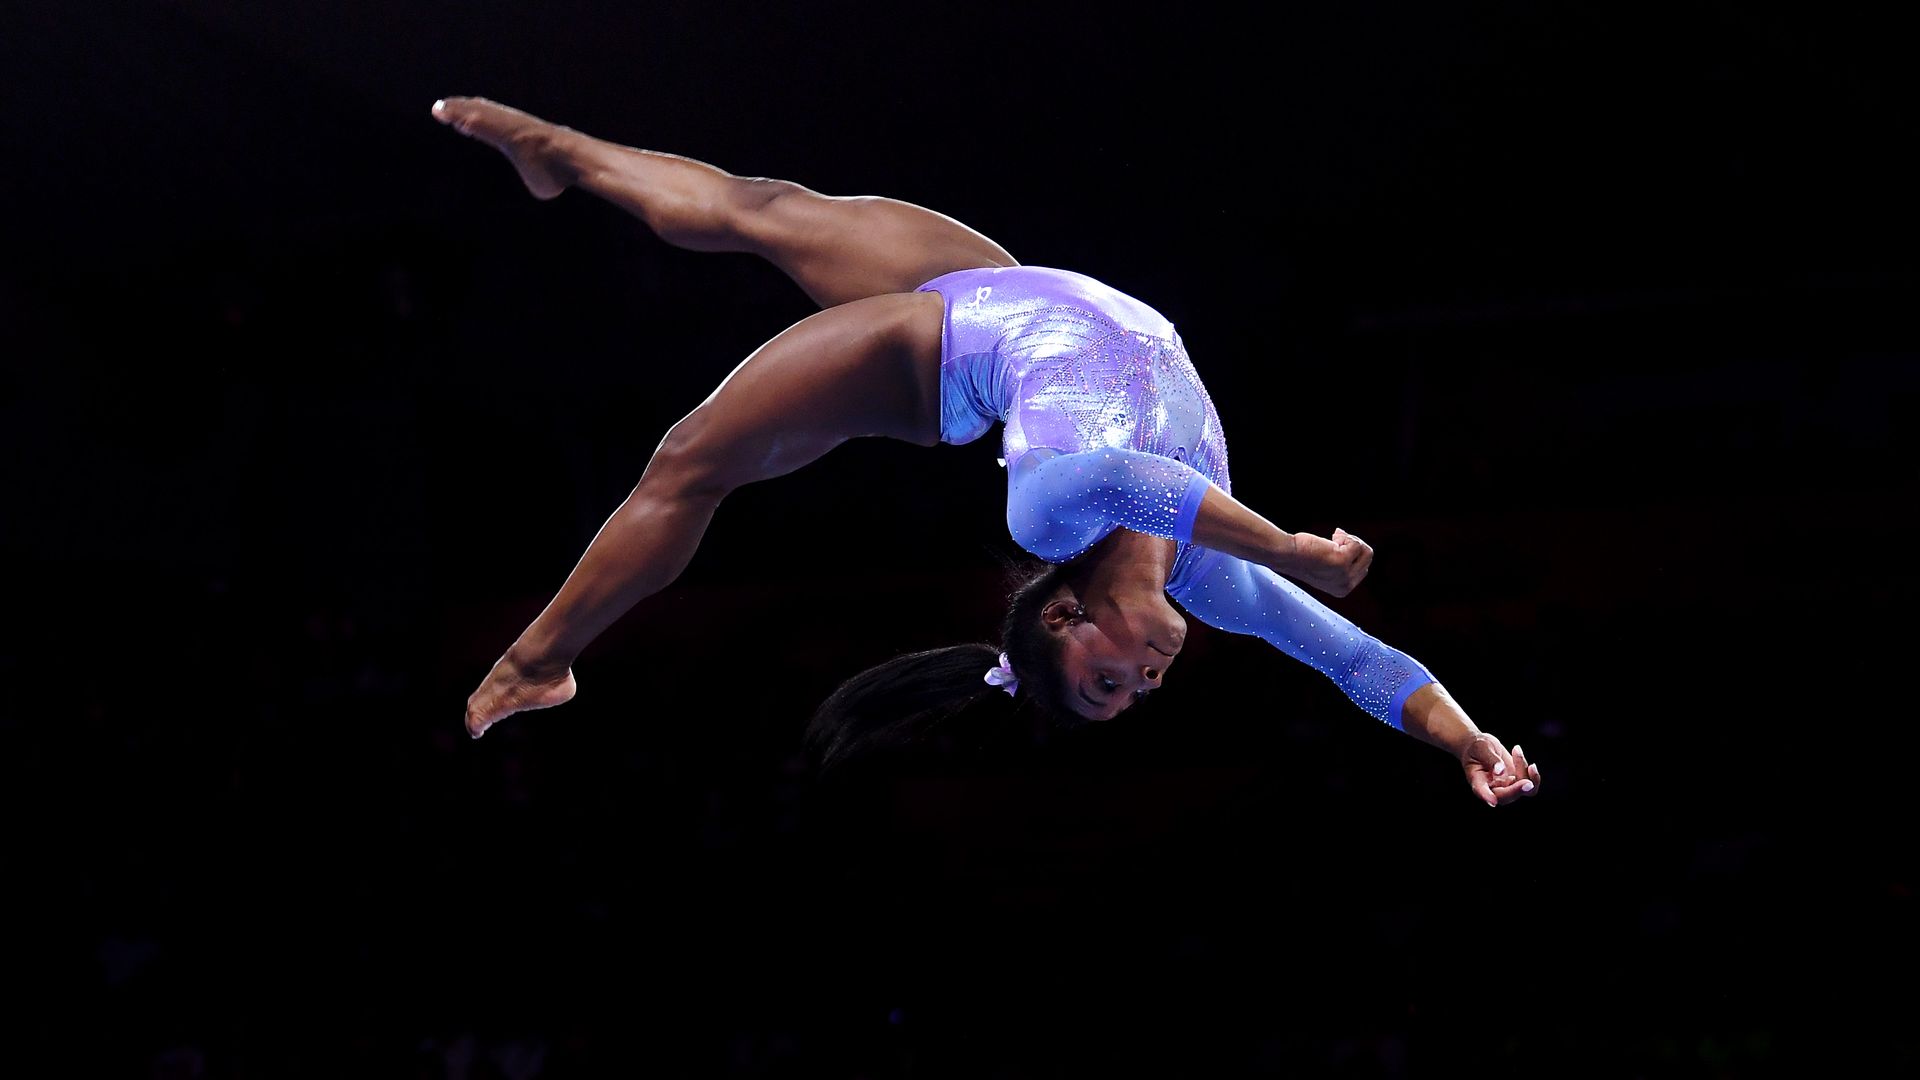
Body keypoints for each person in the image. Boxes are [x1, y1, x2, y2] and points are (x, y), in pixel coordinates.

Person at [436, 96, 1541, 808]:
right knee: (761, 206)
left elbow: (1137, 480)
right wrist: (1467, 741)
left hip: (930, 359)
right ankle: (562, 155)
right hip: (1008, 290)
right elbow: (1356, 662)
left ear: (1063, 617)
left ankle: (536, 661)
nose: (1147, 679)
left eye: (1108, 681)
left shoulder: (1048, 519)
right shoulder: (1205, 573)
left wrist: (1292, 551)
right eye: (1137, 692)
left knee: (689, 462)